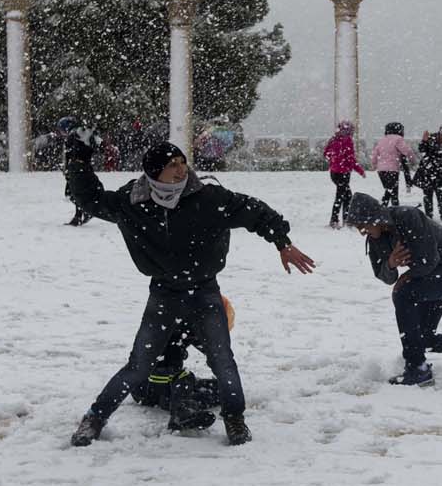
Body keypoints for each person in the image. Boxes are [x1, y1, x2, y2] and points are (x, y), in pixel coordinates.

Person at [65, 136, 316, 447]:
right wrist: (78, 163)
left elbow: (255, 211)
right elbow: (90, 199)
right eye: (172, 165)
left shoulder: (208, 197)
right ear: (154, 172)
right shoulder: (133, 202)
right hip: (164, 294)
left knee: (222, 361)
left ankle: (235, 418)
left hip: (205, 292)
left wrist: (282, 242)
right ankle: (95, 417)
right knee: (138, 366)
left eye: (183, 162)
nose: (181, 169)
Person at [343, 193, 442, 386]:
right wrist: (391, 263)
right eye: (358, 228)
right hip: (428, 277)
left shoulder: (407, 217)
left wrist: (406, 276)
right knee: (423, 339)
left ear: (375, 217)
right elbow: (383, 275)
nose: (362, 232)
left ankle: (417, 368)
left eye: (363, 225)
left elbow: (429, 260)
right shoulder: (374, 238)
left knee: (402, 294)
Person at [128, 295, 238, 432]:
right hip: (153, 385)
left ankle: (187, 404)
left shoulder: (182, 320)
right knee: (185, 377)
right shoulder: (178, 326)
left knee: (218, 389)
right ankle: (180, 413)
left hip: (144, 389)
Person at [322, 120, 366, 228]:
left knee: (345, 196)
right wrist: (360, 170)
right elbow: (351, 159)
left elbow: (326, 154)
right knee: (344, 197)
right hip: (343, 173)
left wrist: (334, 161)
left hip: (334, 173)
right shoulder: (348, 141)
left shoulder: (333, 139)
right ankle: (342, 220)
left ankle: (340, 220)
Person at [56, 117, 94, 227]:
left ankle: (80, 215)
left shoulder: (75, 134)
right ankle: (83, 213)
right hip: (79, 168)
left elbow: (74, 153)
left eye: (61, 130)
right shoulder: (77, 134)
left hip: (77, 169)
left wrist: (71, 166)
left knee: (74, 193)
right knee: (73, 193)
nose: (61, 133)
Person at [414, 126, 442, 224]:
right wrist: (424, 141)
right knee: (428, 195)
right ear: (440, 133)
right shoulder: (431, 139)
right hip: (428, 171)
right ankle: (429, 216)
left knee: (441, 196)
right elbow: (422, 150)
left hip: (440, 172)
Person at [372, 121, 417, 207]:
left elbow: (375, 153)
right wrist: (413, 160)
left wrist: (374, 164)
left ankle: (388, 207)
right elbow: (407, 151)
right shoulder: (398, 139)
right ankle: (387, 208)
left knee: (390, 190)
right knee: (392, 191)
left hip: (381, 170)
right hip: (392, 170)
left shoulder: (382, 140)